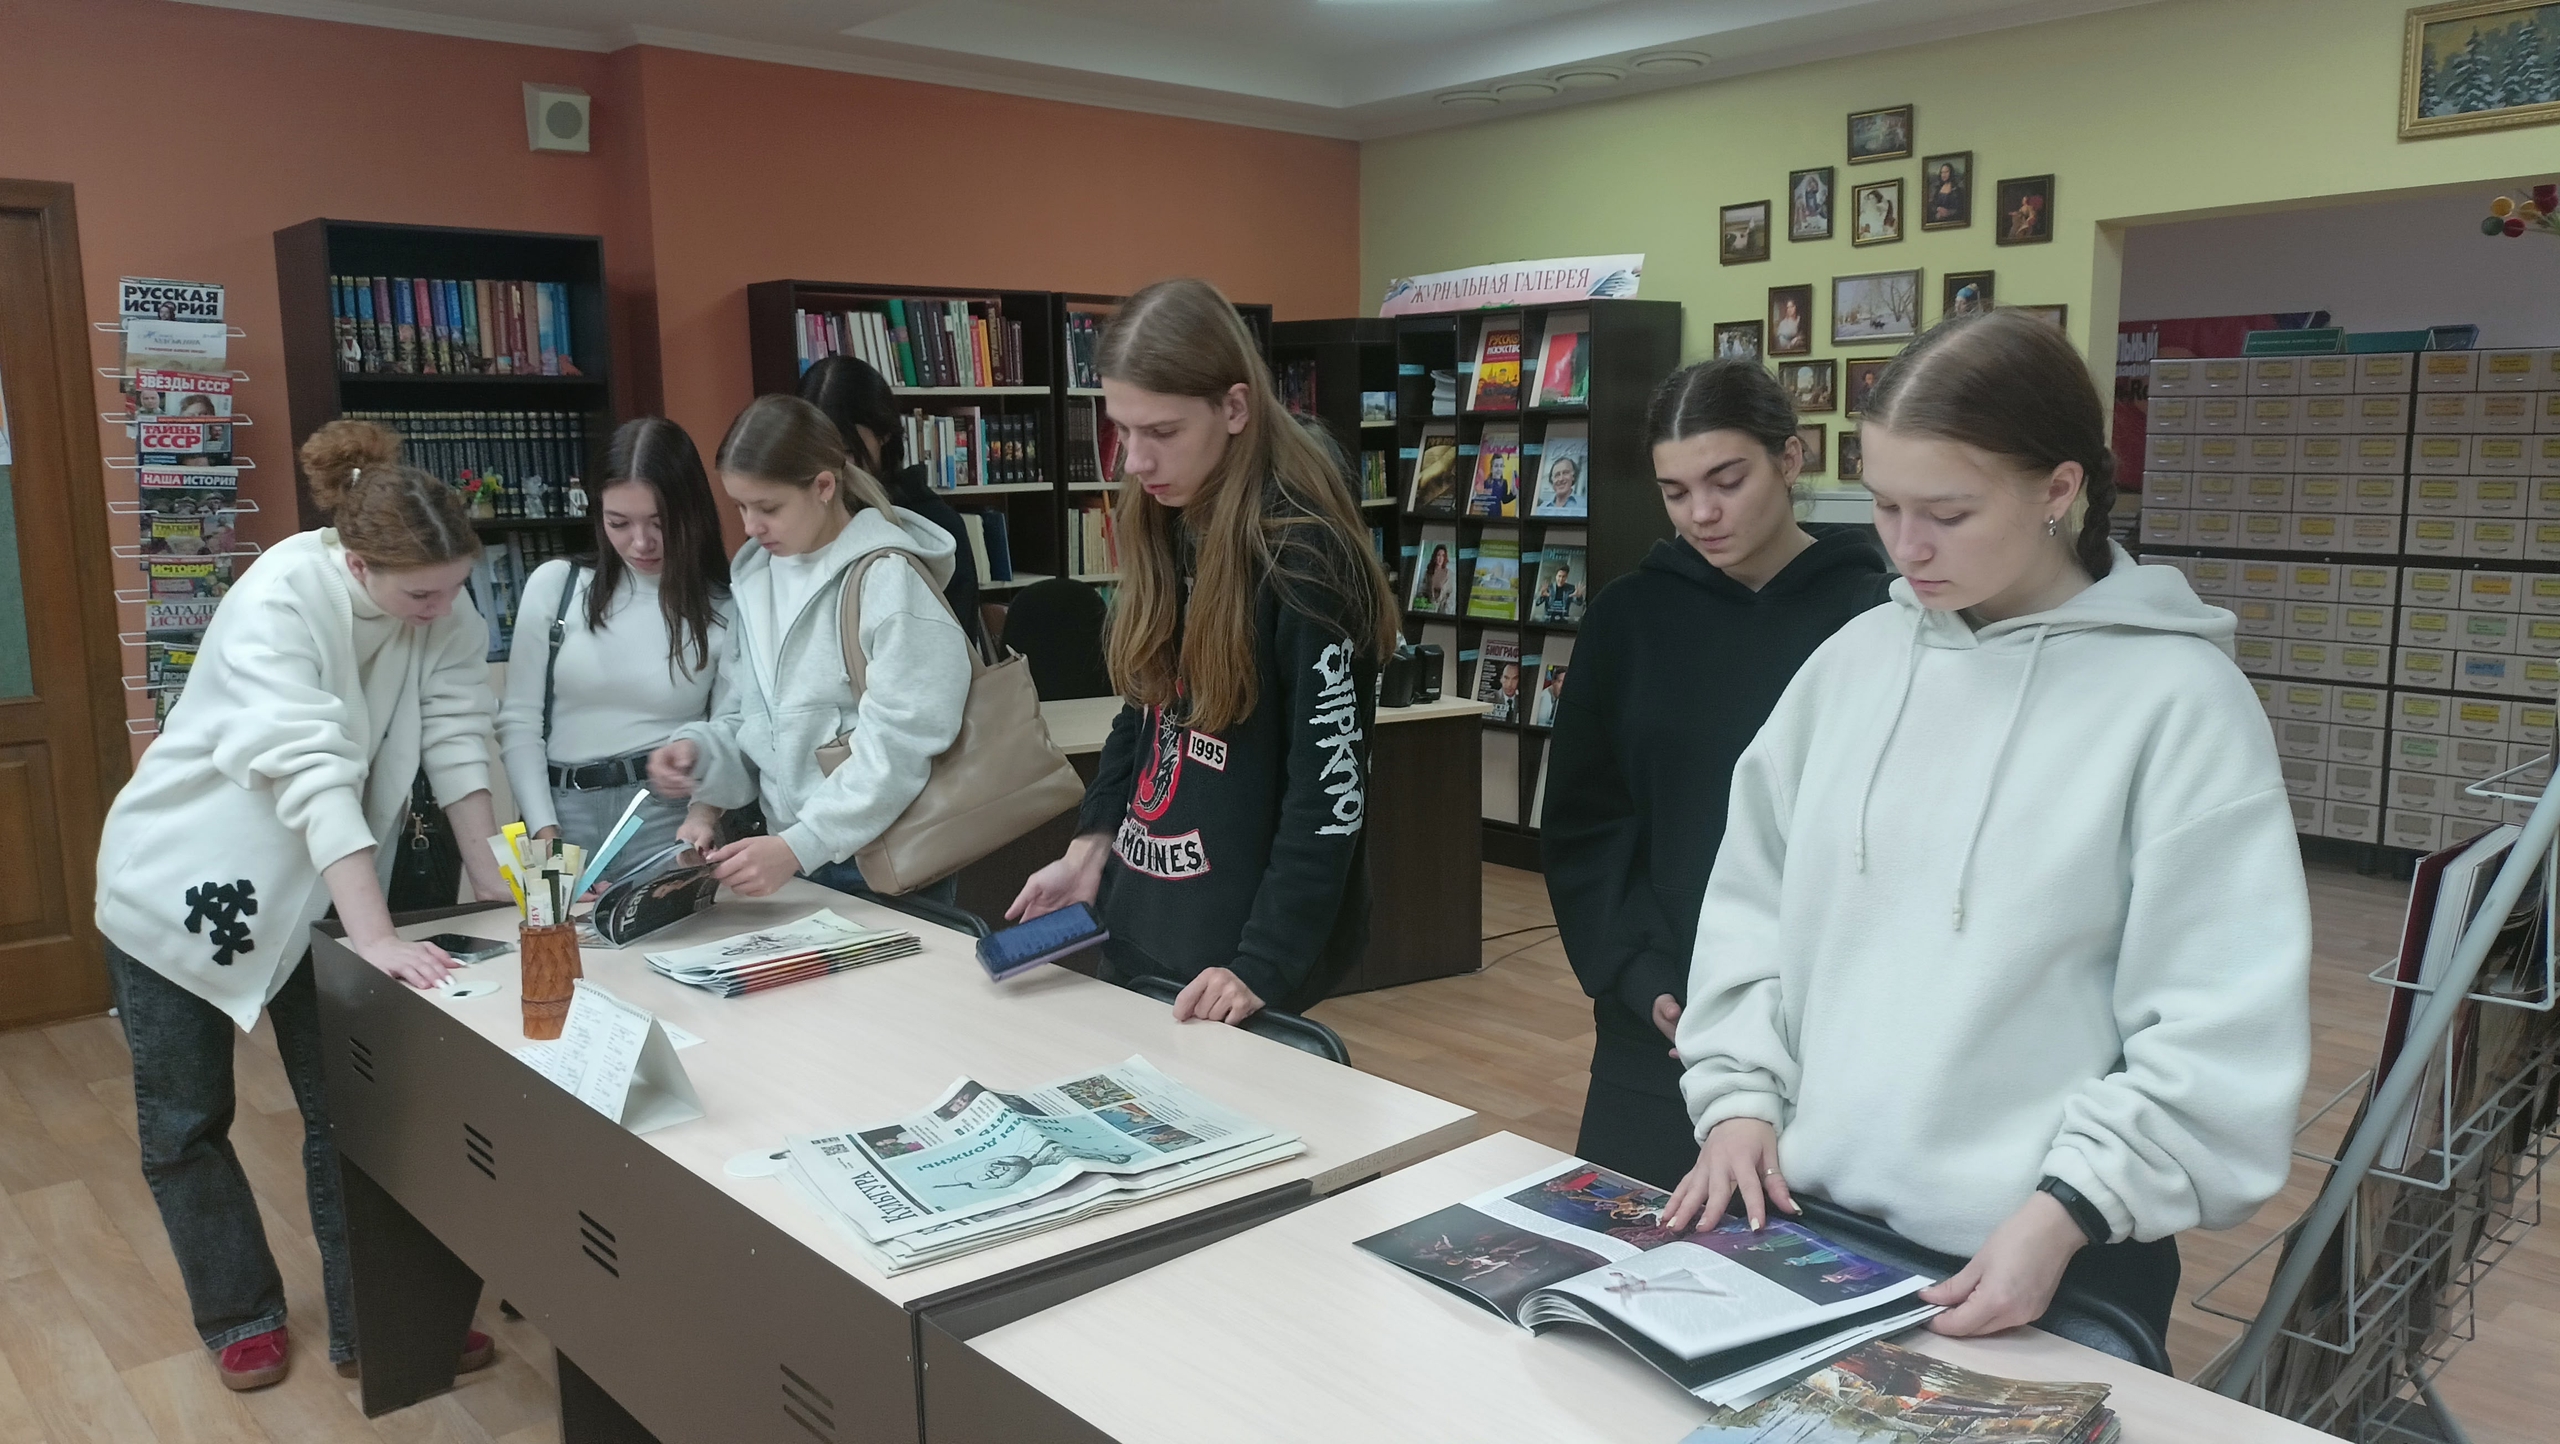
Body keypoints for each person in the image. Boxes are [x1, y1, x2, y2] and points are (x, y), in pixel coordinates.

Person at [1659, 311, 2311, 1355]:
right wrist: (1737, 1100)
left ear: (2058, 489)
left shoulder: (2180, 702)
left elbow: (2217, 1026)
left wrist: (2066, 1211)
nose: (1905, 546)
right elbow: (1751, 913)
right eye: (1883, 504)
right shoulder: (1852, 664)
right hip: (1803, 1218)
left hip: (2041, 1255)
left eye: (1948, 512)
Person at [93, 420, 514, 1390]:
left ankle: (381, 1318)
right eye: (421, 595)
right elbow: (314, 772)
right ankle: (240, 1312)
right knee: (186, 1121)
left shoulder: (441, 606)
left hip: (325, 884)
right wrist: (374, 937)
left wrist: (498, 881)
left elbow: (460, 736)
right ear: (358, 564)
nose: (442, 612)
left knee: (355, 1112)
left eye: (455, 589)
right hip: (178, 887)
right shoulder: (281, 595)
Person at [1005, 278, 1401, 1024]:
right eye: (1123, 431)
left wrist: (1263, 964)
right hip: (1141, 918)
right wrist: (1091, 847)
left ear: (1235, 408)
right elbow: (1145, 709)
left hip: (1236, 956)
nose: (1135, 461)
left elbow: (1329, 793)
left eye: (1161, 431)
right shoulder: (1171, 516)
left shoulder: (1307, 560)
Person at [1541, 360, 1890, 1189]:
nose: (1701, 512)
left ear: (1790, 460)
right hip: (1663, 1019)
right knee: (1630, 1242)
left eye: (1727, 482)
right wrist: (1640, 975)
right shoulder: (1628, 619)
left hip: (1832, 1025)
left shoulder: (1876, 615)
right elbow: (1587, 823)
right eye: (1675, 491)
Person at [648, 395, 974, 903]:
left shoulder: (887, 577)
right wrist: (701, 759)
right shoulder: (756, 579)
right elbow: (749, 720)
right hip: (792, 857)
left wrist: (801, 845)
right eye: (740, 507)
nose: (750, 526)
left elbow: (904, 738)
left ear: (824, 486)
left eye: (768, 508)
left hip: (885, 858)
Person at [498, 418, 730, 884]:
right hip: (557, 813)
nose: (640, 543)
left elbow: (731, 729)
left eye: (660, 524)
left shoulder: (724, 606)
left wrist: (703, 815)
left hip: (668, 817)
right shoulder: (557, 586)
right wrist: (545, 838)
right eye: (618, 523)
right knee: (560, 933)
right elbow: (519, 722)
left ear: (692, 513)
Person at [797, 355, 989, 655]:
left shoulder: (933, 525)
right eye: (816, 451)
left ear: (884, 433)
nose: (831, 467)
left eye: (846, 450)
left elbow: (954, 646)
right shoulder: (794, 519)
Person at [1927, 161, 1968, 227]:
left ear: (1951, 173)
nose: (1944, 175)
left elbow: (1961, 208)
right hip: (1937, 220)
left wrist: (1948, 212)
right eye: (1942, 172)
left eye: (1946, 172)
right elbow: (1932, 204)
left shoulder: (1957, 189)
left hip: (1952, 221)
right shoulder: (1937, 188)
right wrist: (1937, 209)